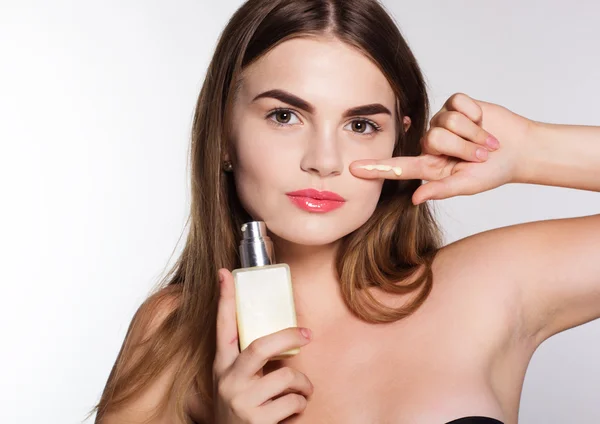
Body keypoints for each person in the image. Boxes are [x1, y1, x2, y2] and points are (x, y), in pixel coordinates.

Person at [91, 0, 600, 423]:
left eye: (360, 126)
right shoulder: (173, 335)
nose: (324, 162)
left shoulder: (490, 284)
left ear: (398, 138)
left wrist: (532, 150)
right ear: (224, 135)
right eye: (285, 116)